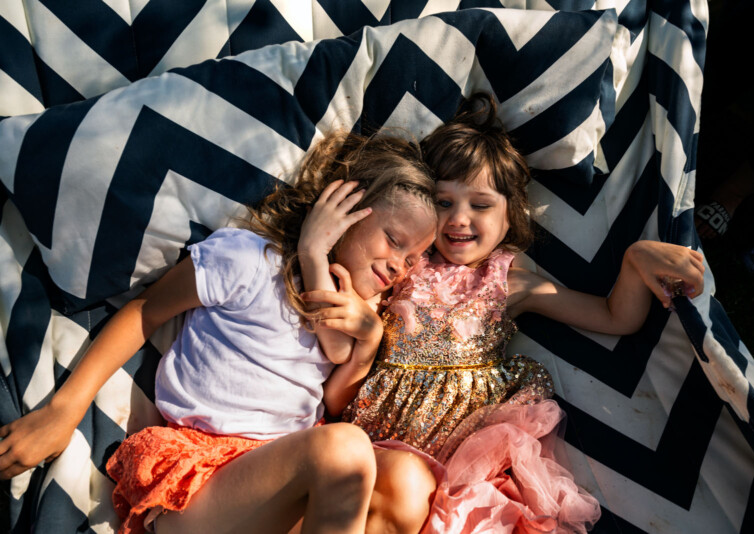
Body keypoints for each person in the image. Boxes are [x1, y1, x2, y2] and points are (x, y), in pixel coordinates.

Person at [0, 131, 439, 534]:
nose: (401, 265)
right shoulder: (249, 260)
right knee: (343, 451)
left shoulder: (354, 308)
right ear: (340, 209)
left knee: (410, 479)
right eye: (394, 240)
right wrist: (63, 411)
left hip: (284, 484)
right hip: (202, 485)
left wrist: (369, 344)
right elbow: (146, 312)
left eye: (416, 256)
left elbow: (334, 403)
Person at [312, 94, 706, 533]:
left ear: (509, 214)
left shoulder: (507, 279)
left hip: (457, 469)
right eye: (443, 203)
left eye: (480, 205)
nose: (459, 219)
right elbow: (339, 378)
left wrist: (635, 259)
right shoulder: (400, 266)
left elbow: (617, 318)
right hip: (370, 450)